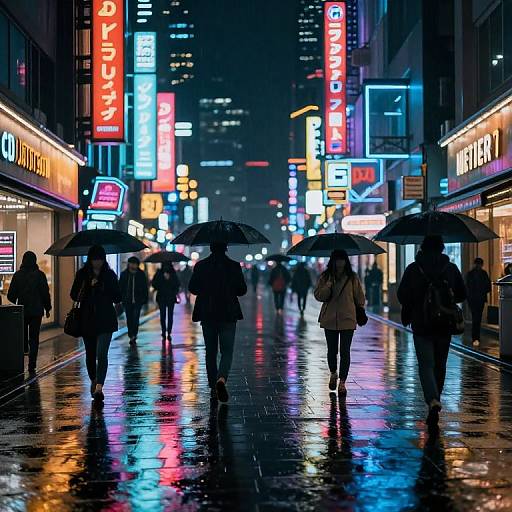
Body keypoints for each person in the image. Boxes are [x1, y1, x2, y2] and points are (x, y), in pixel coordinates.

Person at [397, 235, 466, 434]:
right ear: (442, 248)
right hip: (444, 324)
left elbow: (402, 295)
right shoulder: (450, 268)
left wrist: (417, 300)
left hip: (421, 324)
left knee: (426, 365)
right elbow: (462, 294)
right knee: (440, 365)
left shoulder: (413, 268)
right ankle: (436, 400)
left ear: (422, 248)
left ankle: (432, 399)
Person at [188, 242, 247, 403]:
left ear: (210, 248)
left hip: (207, 313)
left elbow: (192, 288)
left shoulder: (201, 266)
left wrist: (206, 289)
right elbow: (242, 290)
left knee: (210, 352)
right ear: (226, 248)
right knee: (227, 351)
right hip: (228, 314)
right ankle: (221, 379)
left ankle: (213, 387)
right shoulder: (234, 266)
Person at [70, 245, 122, 402]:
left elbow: (117, 297)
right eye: (94, 259)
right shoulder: (82, 274)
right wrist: (88, 286)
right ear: (90, 260)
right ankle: (93, 379)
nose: (97, 262)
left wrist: (103, 287)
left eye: (99, 259)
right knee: (91, 355)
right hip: (87, 320)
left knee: (101, 353)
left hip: (105, 319)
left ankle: (99, 386)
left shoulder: (109, 275)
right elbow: (73, 294)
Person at [314, 250, 365, 396]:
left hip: (348, 318)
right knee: (332, 350)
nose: (340, 263)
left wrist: (358, 308)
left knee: (345, 351)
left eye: (342, 260)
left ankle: (342, 382)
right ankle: (333, 373)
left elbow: (360, 298)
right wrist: (328, 285)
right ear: (333, 261)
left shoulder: (352, 277)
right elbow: (318, 295)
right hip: (329, 318)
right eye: (337, 260)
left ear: (346, 261)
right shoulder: (326, 276)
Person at [7, 251, 51, 373]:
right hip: (37, 312)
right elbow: (45, 294)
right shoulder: (40, 275)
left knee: (21, 338)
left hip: (22, 311)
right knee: (34, 338)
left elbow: (11, 295)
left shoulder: (17, 275)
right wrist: (47, 308)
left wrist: (18, 301)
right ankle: (32, 365)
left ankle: (20, 363)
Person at [119, 256, 148, 345]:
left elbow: (144, 287)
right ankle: (131, 334)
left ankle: (134, 335)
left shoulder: (141, 274)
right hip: (127, 301)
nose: (132, 265)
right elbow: (120, 287)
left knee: (135, 318)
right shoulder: (124, 274)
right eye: (131, 263)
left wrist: (144, 299)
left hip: (137, 301)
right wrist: (121, 298)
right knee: (129, 318)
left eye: (134, 264)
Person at [466, 257, 491, 346]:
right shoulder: (483, 274)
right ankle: (476, 337)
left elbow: (467, 286)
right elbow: (488, 286)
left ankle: (475, 337)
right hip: (477, 298)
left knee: (476, 317)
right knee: (477, 317)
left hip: (474, 299)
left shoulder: (470, 274)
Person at [152, 263, 180, 341]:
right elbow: (154, 284)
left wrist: (169, 279)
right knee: (164, 315)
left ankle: (168, 332)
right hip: (163, 297)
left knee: (167, 315)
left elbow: (177, 285)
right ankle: (165, 331)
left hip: (168, 297)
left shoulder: (172, 274)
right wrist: (163, 279)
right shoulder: (160, 273)